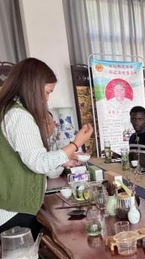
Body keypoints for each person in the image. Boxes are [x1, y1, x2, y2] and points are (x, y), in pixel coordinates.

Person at [0, 58, 94, 236]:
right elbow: (38, 163)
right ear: (33, 88)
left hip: (10, 205)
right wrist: (76, 144)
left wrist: (63, 161)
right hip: (14, 210)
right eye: (47, 92)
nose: (46, 99)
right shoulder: (19, 116)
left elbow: (20, 158)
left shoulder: (7, 109)